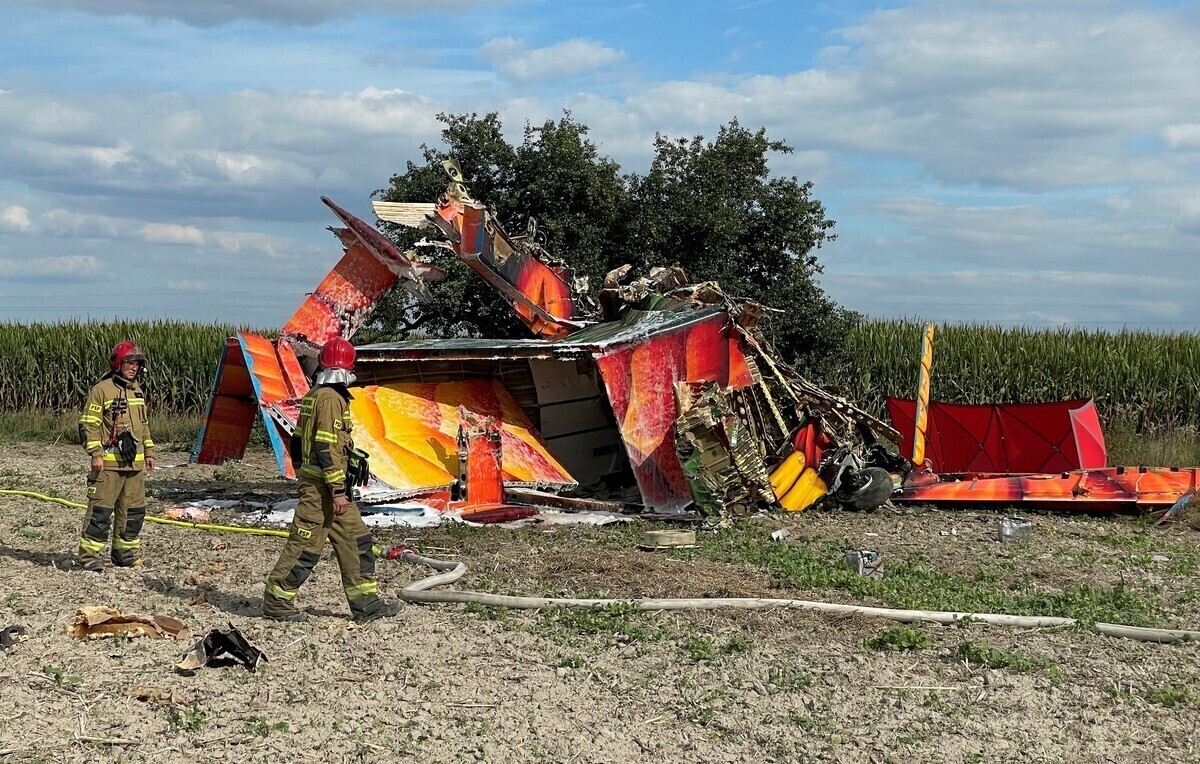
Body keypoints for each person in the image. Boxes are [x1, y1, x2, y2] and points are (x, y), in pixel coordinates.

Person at [262, 337, 401, 624]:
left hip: (324, 487)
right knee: (306, 546)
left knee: (356, 539)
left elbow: (299, 442)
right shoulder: (331, 400)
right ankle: (277, 600)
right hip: (324, 491)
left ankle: (366, 603)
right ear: (349, 368)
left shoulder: (316, 395)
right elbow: (326, 447)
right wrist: (337, 491)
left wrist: (305, 473)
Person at [76, 341, 156, 572]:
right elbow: (88, 424)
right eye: (129, 362)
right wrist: (95, 453)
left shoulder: (137, 391)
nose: (134, 367)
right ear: (118, 363)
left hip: (135, 466)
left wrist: (149, 452)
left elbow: (144, 425)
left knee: (133, 513)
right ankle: (89, 557)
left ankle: (125, 555)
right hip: (108, 466)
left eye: (137, 363)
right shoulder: (102, 390)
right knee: (100, 512)